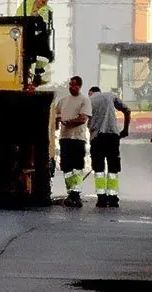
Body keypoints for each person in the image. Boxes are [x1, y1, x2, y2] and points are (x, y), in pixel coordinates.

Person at [87, 86, 131, 208]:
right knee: (113, 169)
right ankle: (113, 198)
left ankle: (101, 198)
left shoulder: (89, 100)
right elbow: (127, 110)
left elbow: (85, 119)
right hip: (113, 136)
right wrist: (125, 130)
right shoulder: (110, 95)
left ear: (91, 93)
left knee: (99, 169)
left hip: (97, 138)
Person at [56, 76, 92, 208]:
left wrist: (67, 122)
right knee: (66, 167)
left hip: (78, 138)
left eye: (74, 85)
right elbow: (56, 116)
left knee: (77, 166)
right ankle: (71, 191)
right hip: (64, 137)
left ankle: (76, 193)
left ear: (79, 86)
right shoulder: (63, 101)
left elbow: (83, 119)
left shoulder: (84, 100)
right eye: (70, 85)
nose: (71, 87)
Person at [15, 0, 53, 85]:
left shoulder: (47, 10)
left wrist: (35, 13)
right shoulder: (26, 4)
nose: (44, 0)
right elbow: (18, 16)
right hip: (21, 33)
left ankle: (32, 70)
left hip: (36, 37)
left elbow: (40, 21)